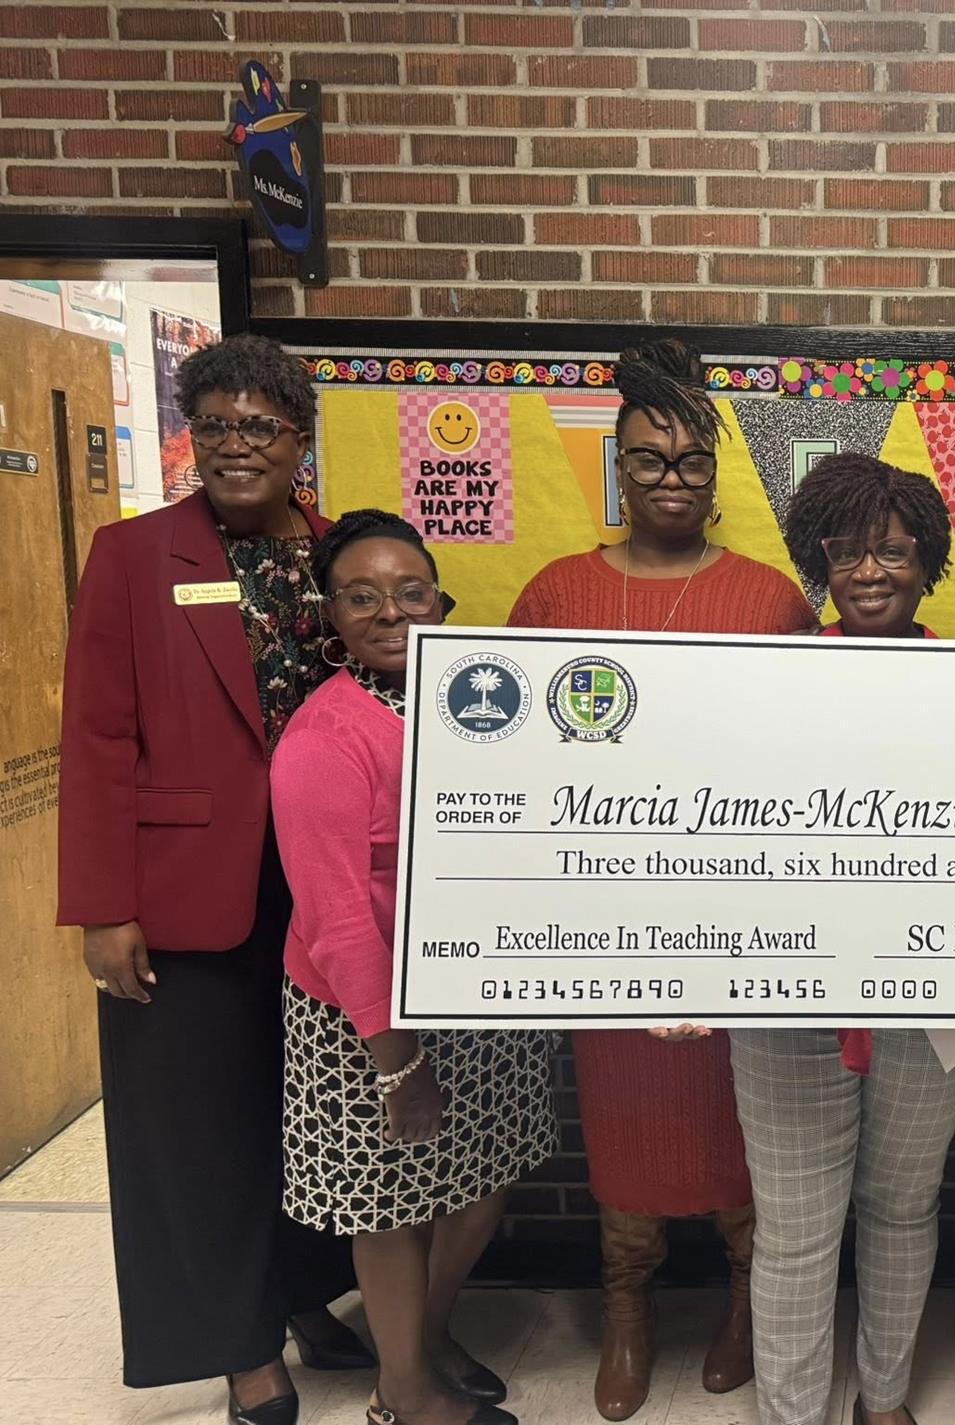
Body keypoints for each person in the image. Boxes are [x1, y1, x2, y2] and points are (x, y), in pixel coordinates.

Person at [57, 334, 372, 1424]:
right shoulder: (133, 555)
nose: (238, 446)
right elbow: (97, 738)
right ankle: (242, 1346)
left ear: (300, 439)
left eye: (262, 426)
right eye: (217, 425)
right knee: (199, 1129)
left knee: (314, 1109)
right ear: (192, 434)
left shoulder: (341, 553)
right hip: (185, 891)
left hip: (325, 889)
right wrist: (104, 906)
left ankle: (306, 1296)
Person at [506, 339, 816, 1421]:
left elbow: (812, 759)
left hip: (738, 916)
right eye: (648, 459)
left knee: (743, 1118)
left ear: (716, 473)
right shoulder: (558, 593)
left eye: (691, 460)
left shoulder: (770, 600)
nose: (670, 478)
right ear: (618, 469)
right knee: (626, 1113)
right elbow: (510, 762)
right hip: (609, 917)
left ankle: (744, 1302)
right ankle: (626, 1305)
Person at [272, 510, 555, 1425]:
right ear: (331, 614)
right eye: (361, 596)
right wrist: (396, 1059)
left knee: (485, 1169)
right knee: (391, 1202)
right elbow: (336, 921)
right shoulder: (325, 735)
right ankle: (403, 1391)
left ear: (441, 600)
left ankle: (423, 1339)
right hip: (367, 1011)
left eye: (409, 591)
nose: (390, 611)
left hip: (477, 986)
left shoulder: (480, 700)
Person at [726, 453, 955, 1425]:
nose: (870, 571)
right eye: (848, 553)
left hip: (935, 1002)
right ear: (819, 561)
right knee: (794, 1228)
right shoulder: (766, 684)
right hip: (786, 999)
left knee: (902, 1206)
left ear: (928, 563)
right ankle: (792, 1414)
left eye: (894, 552)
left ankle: (885, 1399)